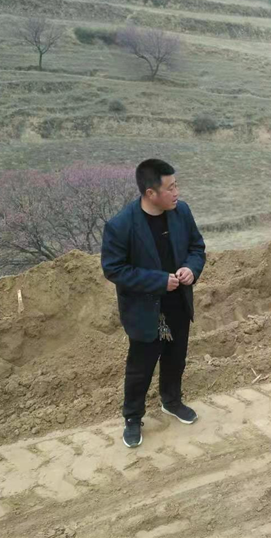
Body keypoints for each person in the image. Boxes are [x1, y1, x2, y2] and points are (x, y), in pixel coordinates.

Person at [101, 159, 206, 448]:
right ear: (151, 193)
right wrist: (158, 281)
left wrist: (191, 269)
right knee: (140, 367)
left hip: (178, 302)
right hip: (144, 309)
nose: (177, 192)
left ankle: (171, 401)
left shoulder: (181, 212)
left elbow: (197, 247)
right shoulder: (121, 226)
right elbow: (114, 269)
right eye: (170, 188)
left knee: (176, 357)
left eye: (176, 185)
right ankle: (133, 417)